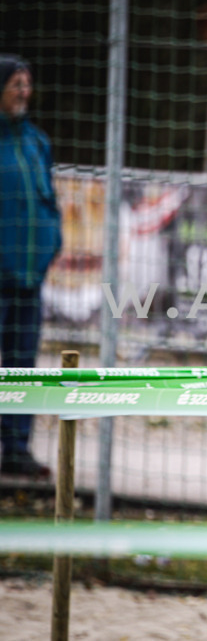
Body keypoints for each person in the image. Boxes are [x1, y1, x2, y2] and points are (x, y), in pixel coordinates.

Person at [0, 54, 61, 478]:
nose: (23, 91)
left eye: (27, 83)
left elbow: (49, 203)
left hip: (29, 278)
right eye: (15, 83)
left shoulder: (37, 142)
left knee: (22, 364)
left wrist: (50, 244)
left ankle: (16, 448)